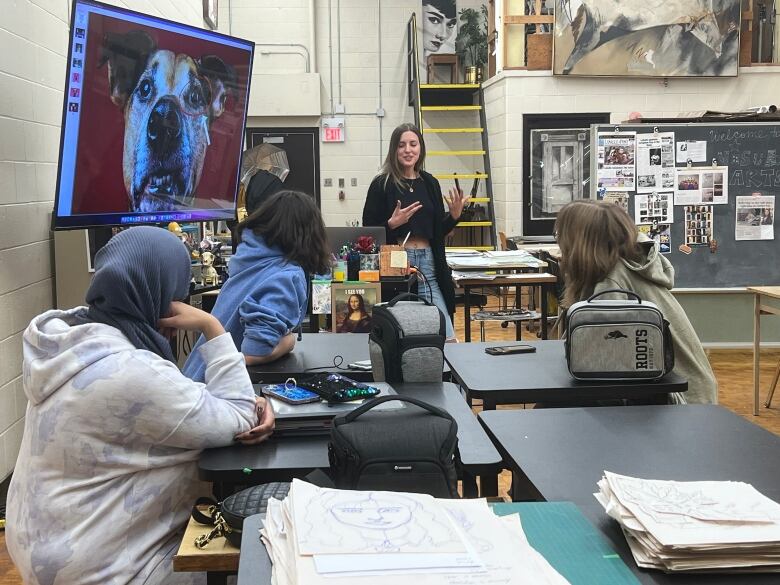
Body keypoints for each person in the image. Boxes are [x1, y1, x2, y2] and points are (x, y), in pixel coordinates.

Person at [5, 226, 274, 585]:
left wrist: (235, 401)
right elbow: (239, 418)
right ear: (160, 296)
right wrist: (212, 327)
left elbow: (167, 405)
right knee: (258, 558)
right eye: (179, 293)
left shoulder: (79, 343)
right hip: (101, 569)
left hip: (53, 550)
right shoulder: (128, 371)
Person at [555, 200, 717, 404]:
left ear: (579, 242)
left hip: (681, 399)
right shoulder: (630, 266)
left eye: (561, 236)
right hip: (687, 389)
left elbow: (601, 357)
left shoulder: (612, 281)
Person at [184, 190, 330, 381]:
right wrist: (289, 342)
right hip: (216, 393)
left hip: (196, 378)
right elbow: (254, 352)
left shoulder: (250, 263)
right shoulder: (286, 277)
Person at [362, 123, 469, 340]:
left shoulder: (430, 183)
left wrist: (455, 216)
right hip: (397, 263)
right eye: (401, 145)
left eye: (413, 144)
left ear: (420, 149)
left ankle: (445, 374)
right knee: (402, 333)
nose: (408, 150)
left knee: (446, 335)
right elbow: (367, 233)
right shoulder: (381, 184)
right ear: (394, 150)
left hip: (429, 264)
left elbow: (438, 231)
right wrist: (392, 224)